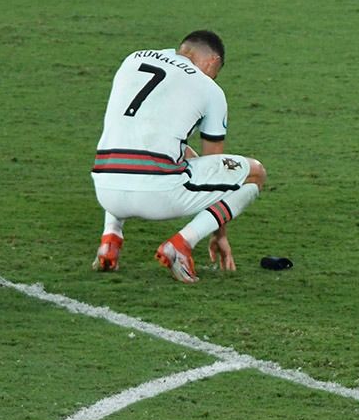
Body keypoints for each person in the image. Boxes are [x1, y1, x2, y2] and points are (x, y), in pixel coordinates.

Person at [91, 30, 266, 283]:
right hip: (157, 196)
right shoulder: (209, 88)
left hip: (105, 191)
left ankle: (110, 239)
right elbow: (214, 163)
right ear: (212, 61)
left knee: (133, 143)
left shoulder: (133, 59)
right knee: (255, 174)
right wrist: (219, 234)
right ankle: (181, 245)